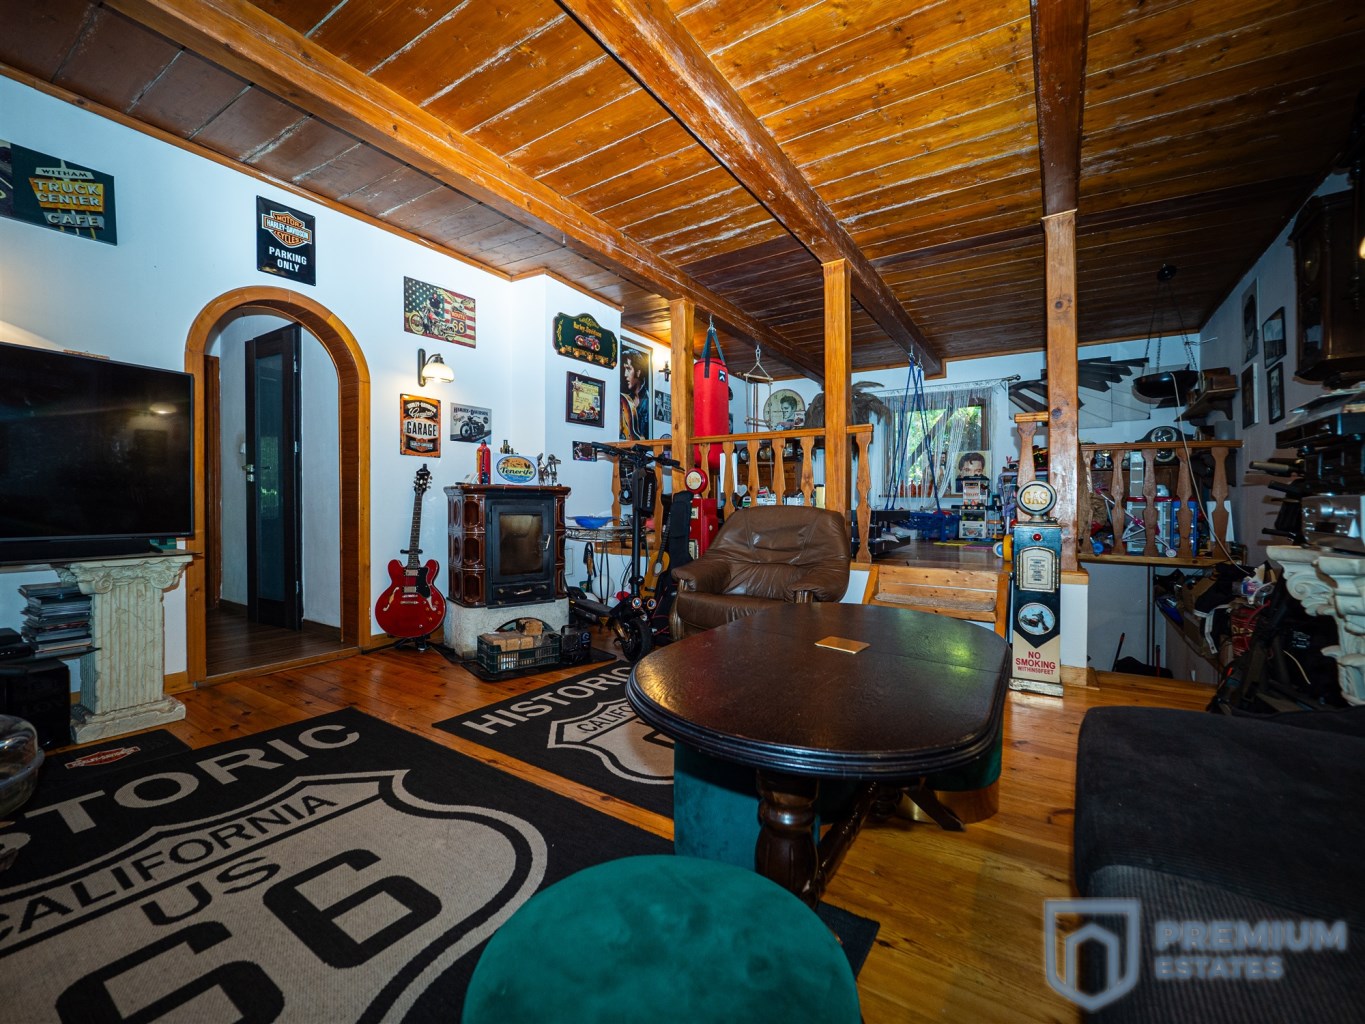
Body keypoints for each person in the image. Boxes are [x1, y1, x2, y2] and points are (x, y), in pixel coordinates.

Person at [620, 349, 650, 440]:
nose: (625, 374)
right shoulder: (625, 399)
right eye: (624, 369)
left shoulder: (648, 401)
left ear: (638, 372)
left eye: (628, 369)